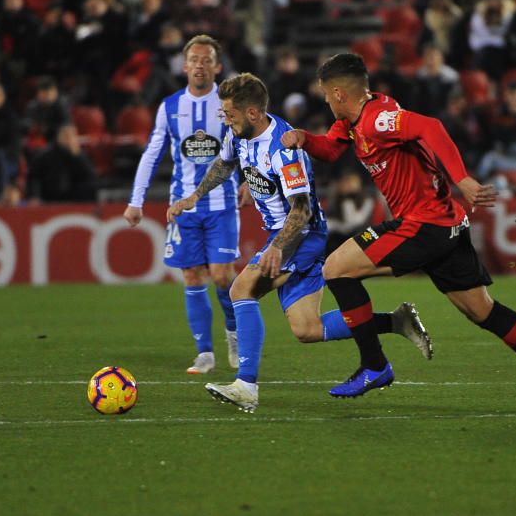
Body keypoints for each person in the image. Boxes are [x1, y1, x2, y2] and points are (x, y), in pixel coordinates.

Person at [280, 53, 516, 415]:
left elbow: (432, 127)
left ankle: (374, 365)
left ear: (340, 93)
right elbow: (328, 148)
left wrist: (463, 180)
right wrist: (303, 139)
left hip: (422, 225)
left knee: (336, 269)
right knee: (482, 311)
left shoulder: (379, 120)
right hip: (446, 225)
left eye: (327, 95)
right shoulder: (355, 120)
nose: (325, 101)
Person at [169, 72, 434, 412]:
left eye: (230, 115)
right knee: (307, 329)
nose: (226, 120)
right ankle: (395, 321)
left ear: (252, 113)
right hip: (284, 236)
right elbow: (223, 165)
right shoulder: (239, 135)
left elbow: (303, 209)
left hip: (300, 236)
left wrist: (278, 247)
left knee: (241, 290)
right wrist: (194, 196)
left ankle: (246, 385)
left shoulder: (283, 148)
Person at [124, 35, 240, 374]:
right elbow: (152, 153)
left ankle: (232, 333)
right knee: (191, 276)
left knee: (221, 276)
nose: (200, 65)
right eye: (194, 59)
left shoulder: (229, 103)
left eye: (207, 60)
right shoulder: (171, 106)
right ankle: (205, 353)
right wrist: (136, 201)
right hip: (183, 207)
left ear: (217, 67)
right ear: (185, 66)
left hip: (222, 202)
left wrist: (250, 182)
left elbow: (250, 144)